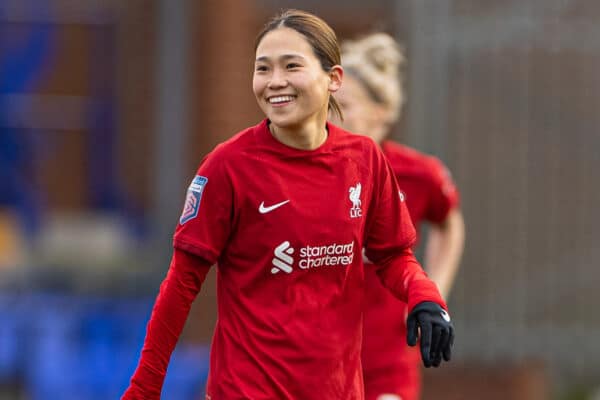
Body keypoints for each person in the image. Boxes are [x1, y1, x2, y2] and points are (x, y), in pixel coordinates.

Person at [122, 10, 453, 400]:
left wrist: (426, 295)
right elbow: (181, 285)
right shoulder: (228, 167)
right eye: (263, 69)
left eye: (291, 66)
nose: (274, 81)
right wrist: (143, 390)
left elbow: (394, 254)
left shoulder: (364, 159)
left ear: (333, 79)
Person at [331, 33, 465, 400]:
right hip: (320, 355)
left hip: (387, 358)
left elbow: (449, 222)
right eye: (328, 106)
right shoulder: (314, 173)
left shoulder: (418, 174)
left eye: (345, 105)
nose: (332, 117)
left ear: (381, 111)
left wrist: (434, 291)